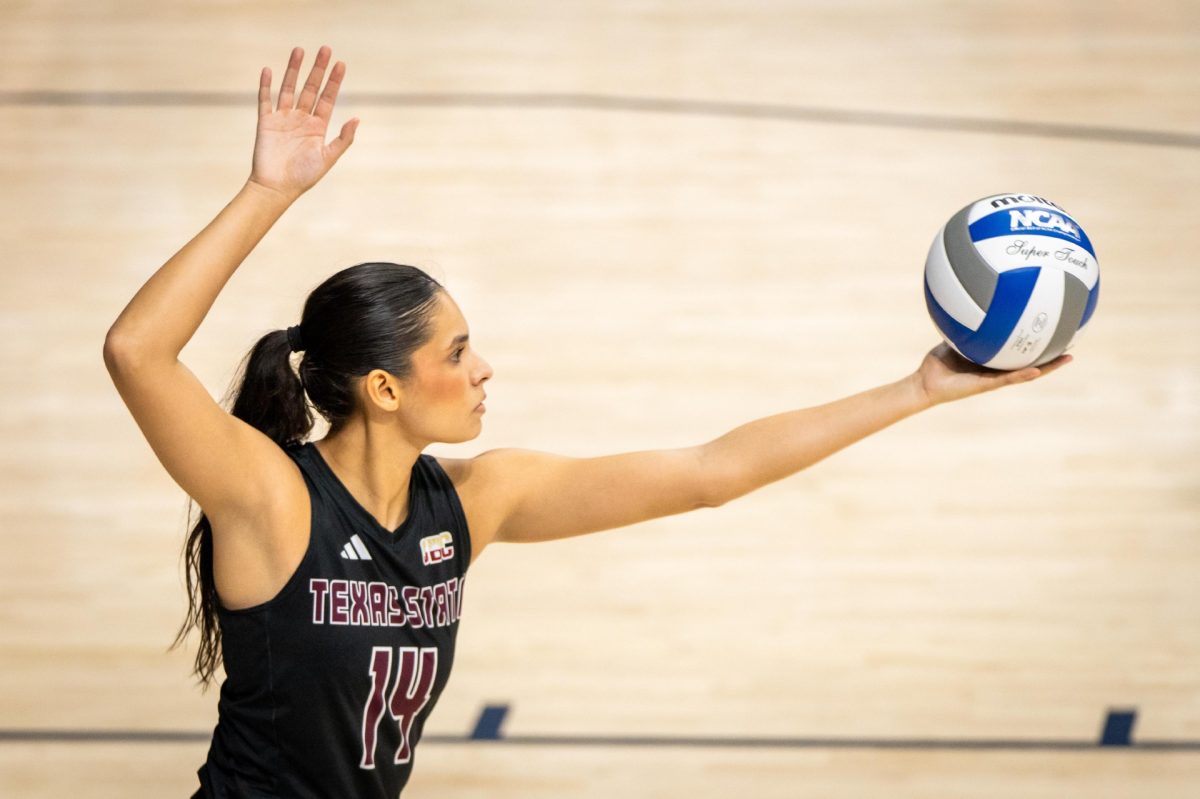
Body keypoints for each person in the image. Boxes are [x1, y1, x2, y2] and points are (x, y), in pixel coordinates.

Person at [102, 45, 1070, 799]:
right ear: (385, 389)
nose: (484, 369)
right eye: (455, 352)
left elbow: (707, 471)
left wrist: (915, 390)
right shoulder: (273, 500)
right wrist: (269, 193)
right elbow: (137, 350)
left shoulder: (473, 504)